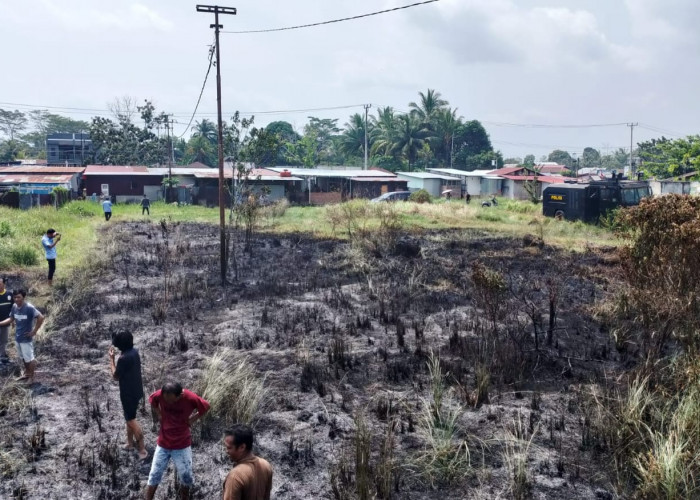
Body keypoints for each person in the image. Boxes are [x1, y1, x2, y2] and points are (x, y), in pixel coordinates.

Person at [146, 382, 210, 500]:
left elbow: (206, 406)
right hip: (163, 443)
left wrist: (192, 419)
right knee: (154, 475)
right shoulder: (161, 394)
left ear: (180, 395)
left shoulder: (190, 397)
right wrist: (159, 414)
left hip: (182, 444)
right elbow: (152, 400)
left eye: (171, 400)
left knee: (186, 477)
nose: (168, 403)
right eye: (165, 400)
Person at [109, 331, 147, 460]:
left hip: (127, 394)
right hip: (136, 390)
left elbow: (115, 376)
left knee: (131, 420)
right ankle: (130, 444)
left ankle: (142, 449)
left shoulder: (123, 359)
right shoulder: (134, 352)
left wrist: (112, 360)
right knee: (129, 418)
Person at [0, 289, 44, 383]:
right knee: (23, 358)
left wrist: (34, 331)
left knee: (29, 358)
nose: (16, 299)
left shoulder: (29, 308)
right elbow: (11, 318)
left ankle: (31, 377)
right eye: (15, 297)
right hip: (18, 337)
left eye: (19, 297)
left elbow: (41, 317)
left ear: (23, 297)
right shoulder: (14, 307)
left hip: (26, 338)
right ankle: (27, 374)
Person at [222, 425, 273, 500]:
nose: (226, 451)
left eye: (229, 447)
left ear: (242, 447)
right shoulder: (266, 465)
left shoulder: (235, 477)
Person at [0, 278, 12, 364]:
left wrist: (13, 321)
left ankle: (3, 357)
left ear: (4, 284)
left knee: (4, 341)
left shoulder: (9, 295)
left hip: (6, 323)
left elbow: (13, 308)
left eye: (0, 283)